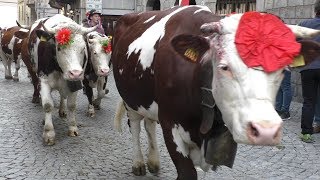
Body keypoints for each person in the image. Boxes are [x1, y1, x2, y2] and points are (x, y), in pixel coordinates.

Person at [297, 0, 320, 143]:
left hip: (308, 68)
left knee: (309, 101)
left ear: (315, 10)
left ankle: (306, 133)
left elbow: (296, 45)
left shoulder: (304, 24)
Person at [83, 9, 109, 94]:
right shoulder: (86, 25)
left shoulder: (102, 26)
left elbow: (106, 37)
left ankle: (103, 85)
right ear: (90, 17)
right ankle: (83, 80)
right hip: (88, 48)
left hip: (99, 50)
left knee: (108, 60)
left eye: (98, 16)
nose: (98, 18)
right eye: (96, 16)